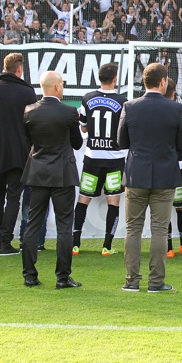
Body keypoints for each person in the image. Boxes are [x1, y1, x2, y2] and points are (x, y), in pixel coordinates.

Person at [118, 63, 182, 292]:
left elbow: (122, 142)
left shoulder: (130, 106)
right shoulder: (175, 109)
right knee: (159, 229)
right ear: (162, 82)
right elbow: (181, 145)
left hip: (136, 174)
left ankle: (132, 281)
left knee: (133, 229)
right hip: (164, 175)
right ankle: (156, 282)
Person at [21, 71, 84, 289]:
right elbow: (77, 143)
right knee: (64, 225)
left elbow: (30, 141)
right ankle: (62, 277)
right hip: (62, 174)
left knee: (33, 222)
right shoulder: (68, 113)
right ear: (57, 87)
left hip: (37, 172)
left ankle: (29, 275)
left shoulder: (29, 111)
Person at [0, 52, 38, 256]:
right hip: (17, 153)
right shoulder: (26, 92)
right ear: (19, 69)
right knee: (13, 197)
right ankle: (5, 241)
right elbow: (32, 124)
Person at [73, 63, 127, 256]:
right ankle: (107, 246)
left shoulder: (87, 98)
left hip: (92, 157)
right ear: (115, 79)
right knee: (113, 202)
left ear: (99, 77)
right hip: (114, 159)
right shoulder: (123, 101)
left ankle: (75, 244)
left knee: (83, 199)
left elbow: (84, 128)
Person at [164, 78, 182, 257]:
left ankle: (168, 248)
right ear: (174, 93)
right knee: (181, 206)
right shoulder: (180, 112)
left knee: (163, 206)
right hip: (179, 164)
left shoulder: (153, 111)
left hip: (160, 165)